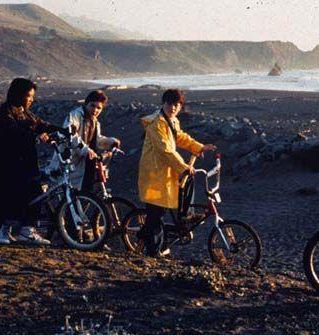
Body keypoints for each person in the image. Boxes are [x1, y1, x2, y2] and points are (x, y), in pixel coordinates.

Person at [137, 89, 216, 257]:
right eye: (171, 104)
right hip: (154, 171)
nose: (174, 108)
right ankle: (153, 252)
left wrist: (198, 147)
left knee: (187, 183)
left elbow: (180, 137)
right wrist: (183, 166)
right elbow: (164, 149)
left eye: (177, 105)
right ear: (163, 103)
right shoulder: (156, 123)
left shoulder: (172, 121)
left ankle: (185, 216)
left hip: (165, 169)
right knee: (156, 212)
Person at [0, 78, 62, 245]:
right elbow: (13, 135)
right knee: (10, 195)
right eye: (28, 96)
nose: (31, 99)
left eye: (32, 96)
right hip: (8, 163)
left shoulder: (25, 113)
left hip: (27, 162)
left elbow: (41, 124)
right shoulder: (2, 115)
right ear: (18, 94)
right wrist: (35, 137)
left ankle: (27, 231)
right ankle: (3, 230)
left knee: (35, 193)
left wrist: (62, 130)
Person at [49, 90, 120, 193]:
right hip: (68, 162)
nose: (95, 110)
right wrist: (86, 150)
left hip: (82, 164)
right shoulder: (75, 116)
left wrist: (111, 142)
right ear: (86, 104)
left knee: (80, 195)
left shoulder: (95, 122)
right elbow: (71, 135)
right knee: (69, 198)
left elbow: (96, 140)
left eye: (99, 108)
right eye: (92, 106)